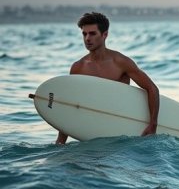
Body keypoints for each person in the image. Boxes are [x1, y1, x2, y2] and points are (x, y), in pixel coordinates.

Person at [55, 12, 160, 144]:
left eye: (92, 33)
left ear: (105, 35)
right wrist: (60, 141)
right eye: (84, 34)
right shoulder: (78, 68)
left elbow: (152, 89)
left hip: (120, 135)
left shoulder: (120, 62)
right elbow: (71, 105)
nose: (87, 38)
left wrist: (153, 124)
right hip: (93, 132)